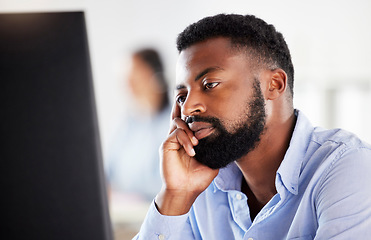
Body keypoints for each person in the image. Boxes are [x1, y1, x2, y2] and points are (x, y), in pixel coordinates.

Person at [133, 14, 371, 239]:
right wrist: (176, 196)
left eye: (210, 84)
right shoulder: (199, 188)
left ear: (274, 84)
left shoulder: (347, 168)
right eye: (182, 96)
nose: (187, 109)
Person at [105, 48, 171, 200]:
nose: (129, 83)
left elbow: (165, 186)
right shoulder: (127, 123)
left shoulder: (172, 124)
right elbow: (107, 172)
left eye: (135, 74)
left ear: (155, 75)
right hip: (122, 213)